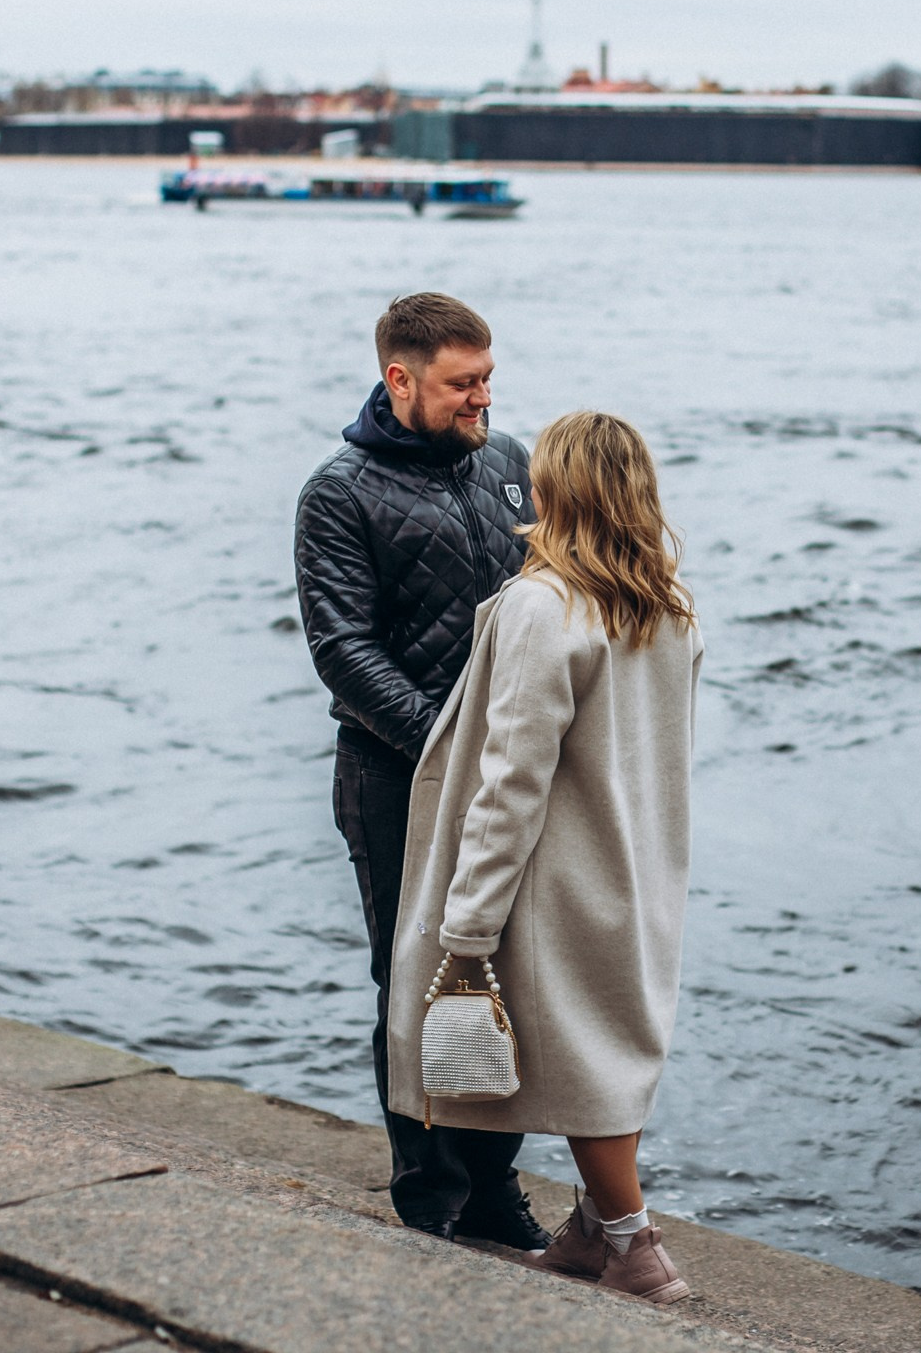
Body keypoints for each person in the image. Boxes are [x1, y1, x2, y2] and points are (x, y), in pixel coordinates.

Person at [388, 411, 703, 1304]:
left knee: (581, 1065)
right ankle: (590, 1231)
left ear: (551, 491)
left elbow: (513, 775)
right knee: (605, 1051)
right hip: (637, 864)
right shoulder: (668, 607)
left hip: (553, 876)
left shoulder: (544, 604)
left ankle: (637, 1250)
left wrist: (468, 923)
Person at [293, 293, 550, 1249]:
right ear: (401, 379)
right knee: (412, 979)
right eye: (462, 383)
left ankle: (495, 1189)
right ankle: (429, 1196)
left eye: (488, 377)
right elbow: (343, 650)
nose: (483, 396)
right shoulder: (339, 491)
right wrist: (447, 744)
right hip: (393, 774)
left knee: (504, 973)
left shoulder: (512, 465)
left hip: (506, 774)